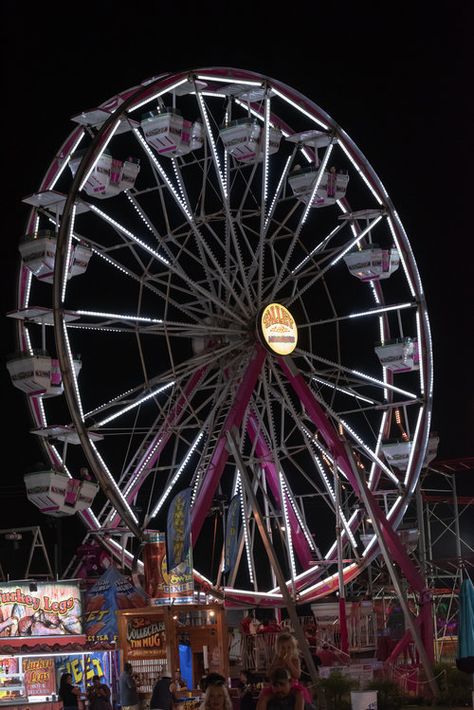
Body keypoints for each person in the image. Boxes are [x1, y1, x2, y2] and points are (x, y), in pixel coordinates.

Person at [267, 633, 311, 704]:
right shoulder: (277, 659)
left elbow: (297, 675)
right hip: (277, 686)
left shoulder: (295, 660)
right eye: (283, 648)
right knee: (264, 697)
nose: (286, 650)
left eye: (289, 648)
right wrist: (278, 664)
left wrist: (289, 662)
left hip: (292, 687)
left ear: (293, 648)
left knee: (300, 696)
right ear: (278, 649)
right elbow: (269, 674)